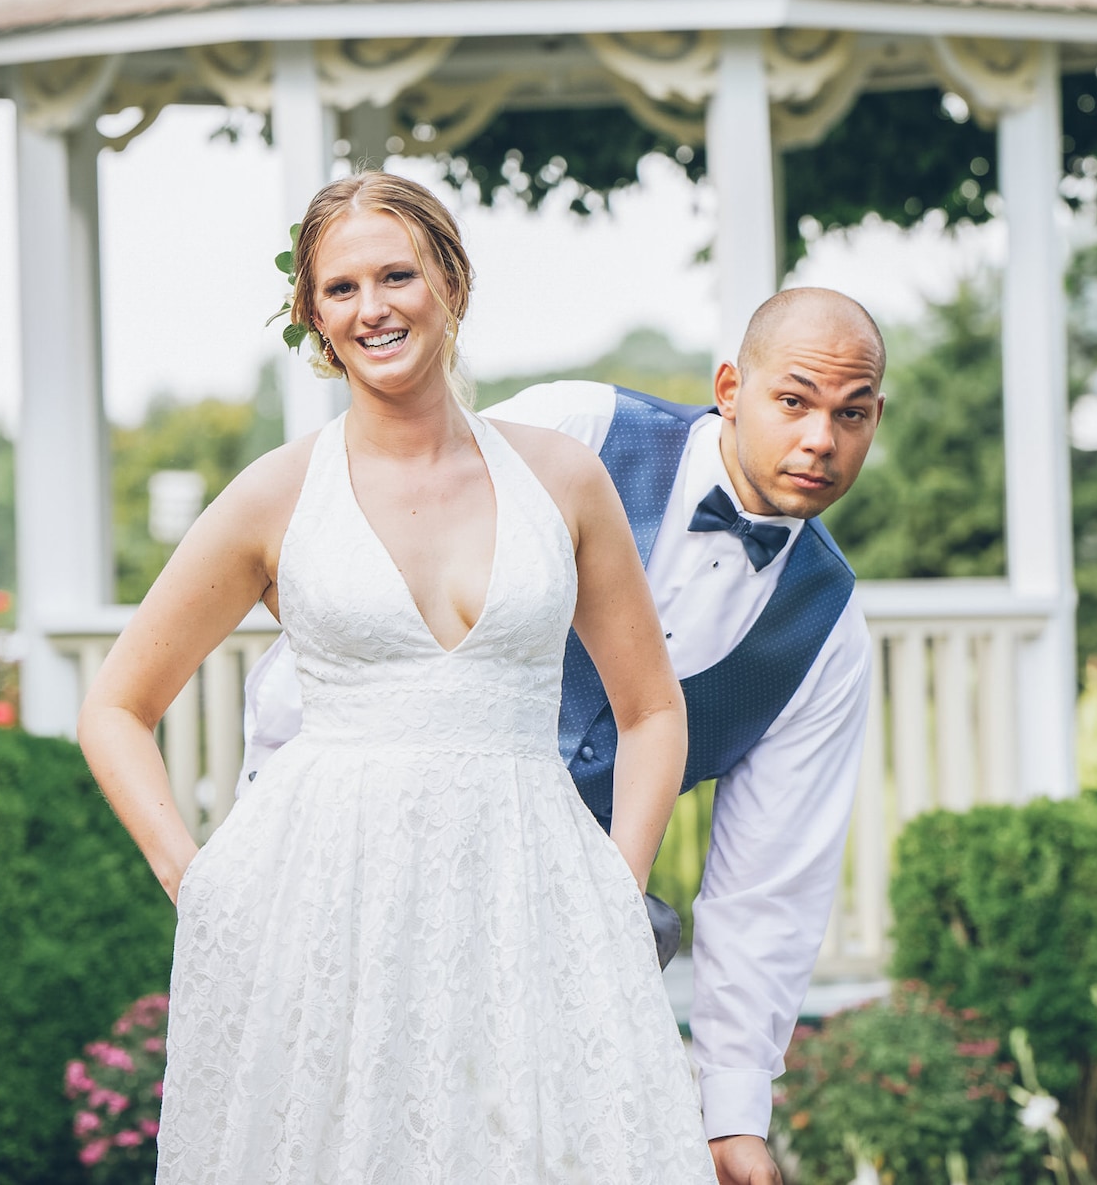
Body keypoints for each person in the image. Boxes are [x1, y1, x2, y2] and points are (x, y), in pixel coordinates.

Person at [75, 172, 718, 1183]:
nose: (371, 308)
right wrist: (195, 883)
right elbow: (116, 706)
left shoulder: (562, 478)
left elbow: (651, 712)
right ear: (314, 320)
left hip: (527, 891)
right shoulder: (274, 494)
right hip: (322, 902)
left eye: (395, 275)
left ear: (450, 283)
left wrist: (613, 882)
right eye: (339, 290)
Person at [244, 285, 886, 1185]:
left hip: (566, 964)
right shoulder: (576, 429)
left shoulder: (828, 633)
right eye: (795, 400)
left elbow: (767, 891)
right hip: (377, 884)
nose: (821, 437)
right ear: (731, 386)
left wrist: (732, 1113)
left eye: (850, 414)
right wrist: (270, 831)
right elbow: (365, 601)